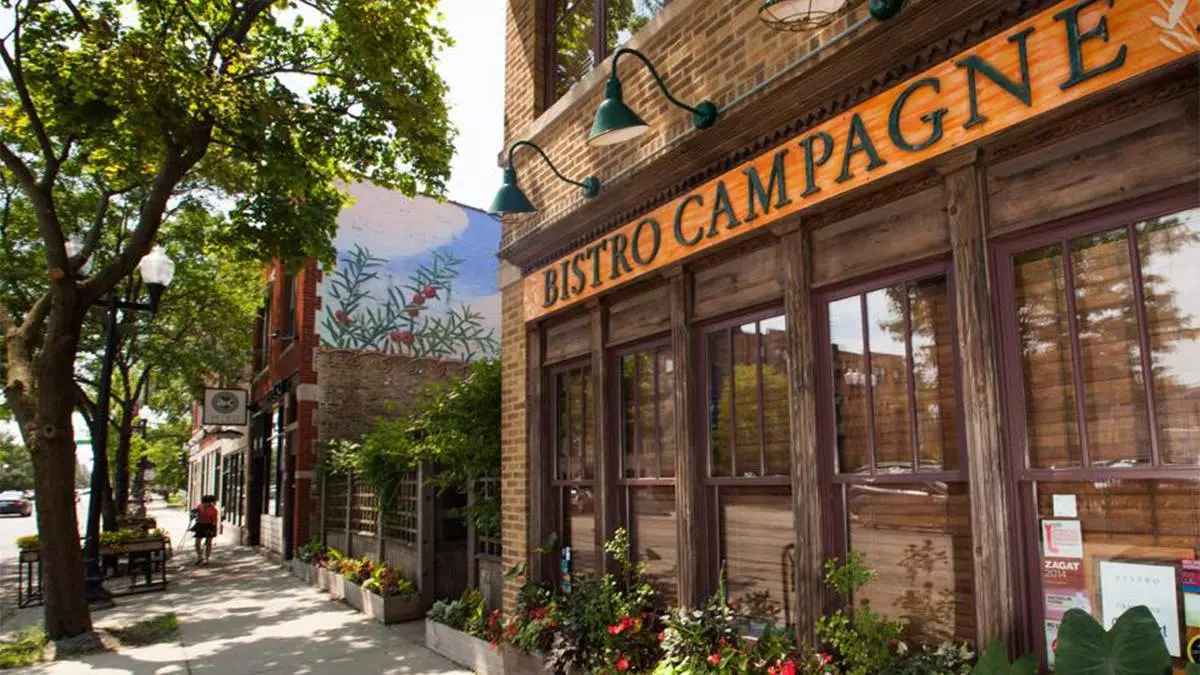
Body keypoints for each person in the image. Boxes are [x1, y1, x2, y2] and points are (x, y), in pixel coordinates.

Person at [192, 495, 219, 564]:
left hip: (209, 525)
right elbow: (195, 513)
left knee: (208, 543)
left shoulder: (214, 510)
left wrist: (213, 529)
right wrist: (194, 513)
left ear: (210, 503)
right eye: (203, 502)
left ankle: (207, 559)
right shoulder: (200, 506)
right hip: (200, 524)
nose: (204, 504)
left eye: (206, 503)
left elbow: (214, 521)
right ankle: (200, 557)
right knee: (197, 542)